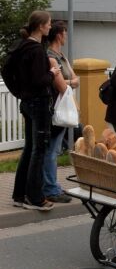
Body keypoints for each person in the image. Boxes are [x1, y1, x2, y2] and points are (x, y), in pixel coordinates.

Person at [11, 11, 65, 211]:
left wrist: (19, 92)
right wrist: (52, 73)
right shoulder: (36, 50)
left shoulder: (21, 46)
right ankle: (35, 197)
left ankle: (20, 194)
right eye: (49, 24)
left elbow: (7, 70)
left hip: (27, 103)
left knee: (29, 148)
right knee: (39, 150)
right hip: (39, 104)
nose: (50, 27)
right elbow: (38, 81)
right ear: (41, 26)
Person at [43, 20, 79, 203]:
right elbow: (62, 85)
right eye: (65, 33)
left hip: (64, 105)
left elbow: (74, 79)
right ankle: (50, 187)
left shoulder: (61, 56)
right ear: (59, 35)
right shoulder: (51, 56)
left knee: (55, 148)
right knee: (51, 149)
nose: (66, 36)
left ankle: (51, 184)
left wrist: (69, 83)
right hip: (56, 107)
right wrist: (69, 83)